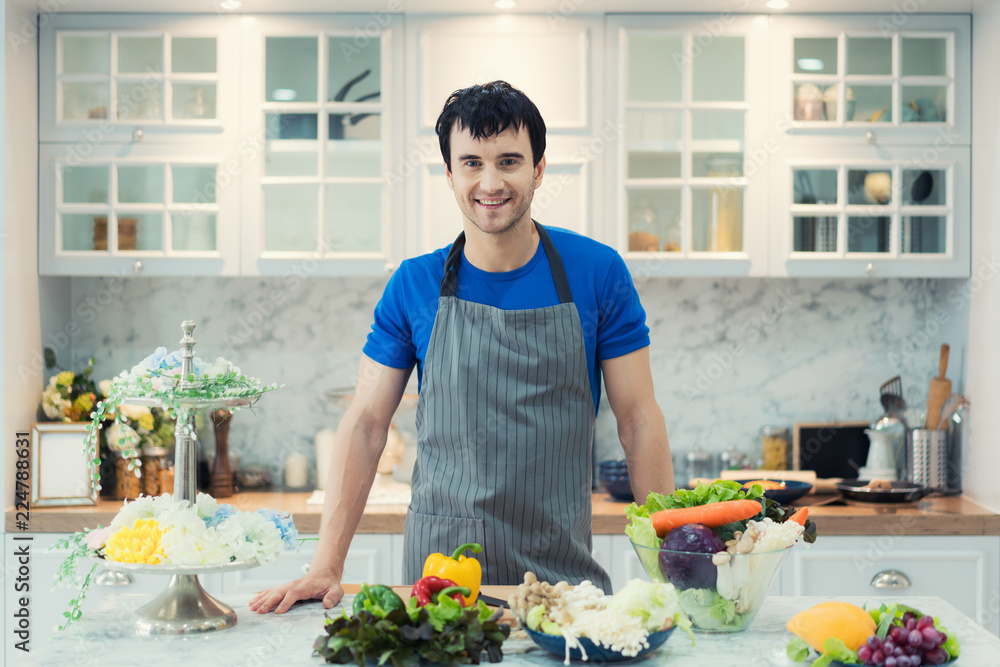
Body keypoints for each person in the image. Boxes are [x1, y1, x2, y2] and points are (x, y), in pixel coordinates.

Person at [250, 81, 673, 615]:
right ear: (450, 175)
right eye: (471, 162)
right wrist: (325, 567)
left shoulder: (597, 272)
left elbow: (639, 420)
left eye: (509, 161)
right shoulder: (413, 283)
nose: (490, 182)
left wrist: (668, 568)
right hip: (441, 580)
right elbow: (364, 424)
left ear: (539, 170)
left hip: (562, 577)